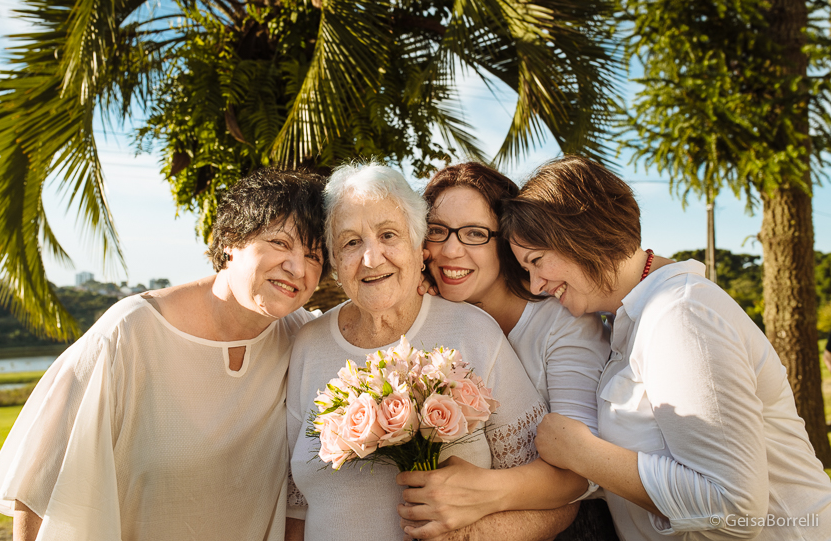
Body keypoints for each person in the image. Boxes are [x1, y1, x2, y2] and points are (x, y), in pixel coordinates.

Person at [0, 169, 329, 541]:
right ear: (230, 240)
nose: (297, 268)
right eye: (279, 243)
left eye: (313, 255)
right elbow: (40, 482)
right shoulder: (128, 333)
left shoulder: (302, 339)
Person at [502, 155, 831, 541]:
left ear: (579, 233)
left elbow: (732, 506)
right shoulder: (636, 320)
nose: (536, 284)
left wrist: (582, 453)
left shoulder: (681, 315)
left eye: (537, 261)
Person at [285, 162, 588, 541]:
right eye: (350, 242)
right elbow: (295, 508)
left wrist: (468, 536)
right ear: (333, 259)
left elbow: (559, 496)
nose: (371, 258)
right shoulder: (308, 344)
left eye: (389, 235)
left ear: (418, 247)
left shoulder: (473, 332)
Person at [395, 162, 617, 540]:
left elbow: (585, 468)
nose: (451, 250)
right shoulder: (431, 313)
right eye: (437, 231)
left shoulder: (563, 322)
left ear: (507, 241)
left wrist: (481, 493)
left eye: (475, 234)